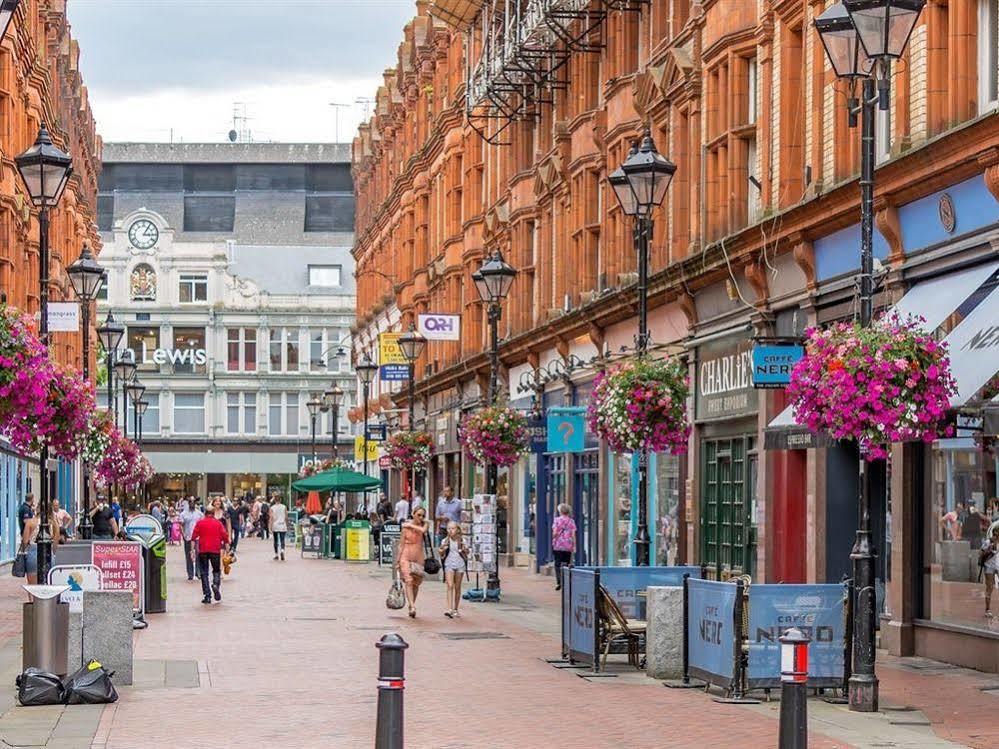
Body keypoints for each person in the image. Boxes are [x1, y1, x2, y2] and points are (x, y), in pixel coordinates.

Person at [191, 507, 229, 605]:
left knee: (204, 573)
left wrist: (192, 550)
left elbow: (194, 537)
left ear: (205, 513)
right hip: (215, 549)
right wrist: (227, 545)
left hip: (203, 550)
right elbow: (224, 535)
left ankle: (207, 595)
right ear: (213, 513)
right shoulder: (218, 523)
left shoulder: (200, 523)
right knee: (216, 570)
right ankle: (215, 584)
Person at [396, 506, 429, 618]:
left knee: (416, 582)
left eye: (423, 515)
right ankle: (412, 605)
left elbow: (423, 530)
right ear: (413, 513)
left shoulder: (424, 524)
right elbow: (401, 544)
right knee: (408, 580)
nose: (421, 517)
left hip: (418, 556)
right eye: (418, 514)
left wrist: (410, 525)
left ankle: (411, 604)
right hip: (406, 554)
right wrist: (397, 560)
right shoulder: (405, 528)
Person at [439, 521, 468, 618]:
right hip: (449, 564)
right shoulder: (445, 541)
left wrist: (465, 549)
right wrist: (442, 550)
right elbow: (441, 554)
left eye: (453, 528)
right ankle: (449, 608)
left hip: (460, 564)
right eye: (448, 528)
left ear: (457, 530)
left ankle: (456, 608)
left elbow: (467, 553)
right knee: (450, 585)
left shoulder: (462, 540)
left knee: (457, 587)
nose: (450, 530)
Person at [551, 503, 577, 591]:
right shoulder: (571, 521)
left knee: (557, 563)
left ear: (560, 511)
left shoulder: (557, 520)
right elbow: (573, 535)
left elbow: (554, 533)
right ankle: (565, 581)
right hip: (568, 545)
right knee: (566, 563)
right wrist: (574, 546)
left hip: (558, 545)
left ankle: (559, 581)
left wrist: (554, 538)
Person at [180, 499, 203, 581]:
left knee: (198, 554)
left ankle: (198, 572)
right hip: (188, 537)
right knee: (189, 555)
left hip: (197, 537)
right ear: (188, 503)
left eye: (193, 502)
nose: (192, 503)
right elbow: (181, 525)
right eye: (190, 502)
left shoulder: (199, 514)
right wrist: (183, 535)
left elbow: (202, 525)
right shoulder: (183, 514)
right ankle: (190, 573)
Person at [981, 525, 999, 618]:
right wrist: (989, 550)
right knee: (990, 588)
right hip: (989, 566)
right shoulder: (989, 542)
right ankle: (987, 610)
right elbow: (981, 554)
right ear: (995, 532)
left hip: (998, 566)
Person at [269, 497, 288, 561]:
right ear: (280, 500)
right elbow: (286, 517)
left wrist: (270, 527)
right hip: (282, 525)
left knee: (275, 540)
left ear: (274, 500)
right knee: (282, 539)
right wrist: (287, 524)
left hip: (275, 525)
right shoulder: (284, 507)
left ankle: (276, 554)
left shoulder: (272, 508)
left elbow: (271, 518)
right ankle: (282, 550)